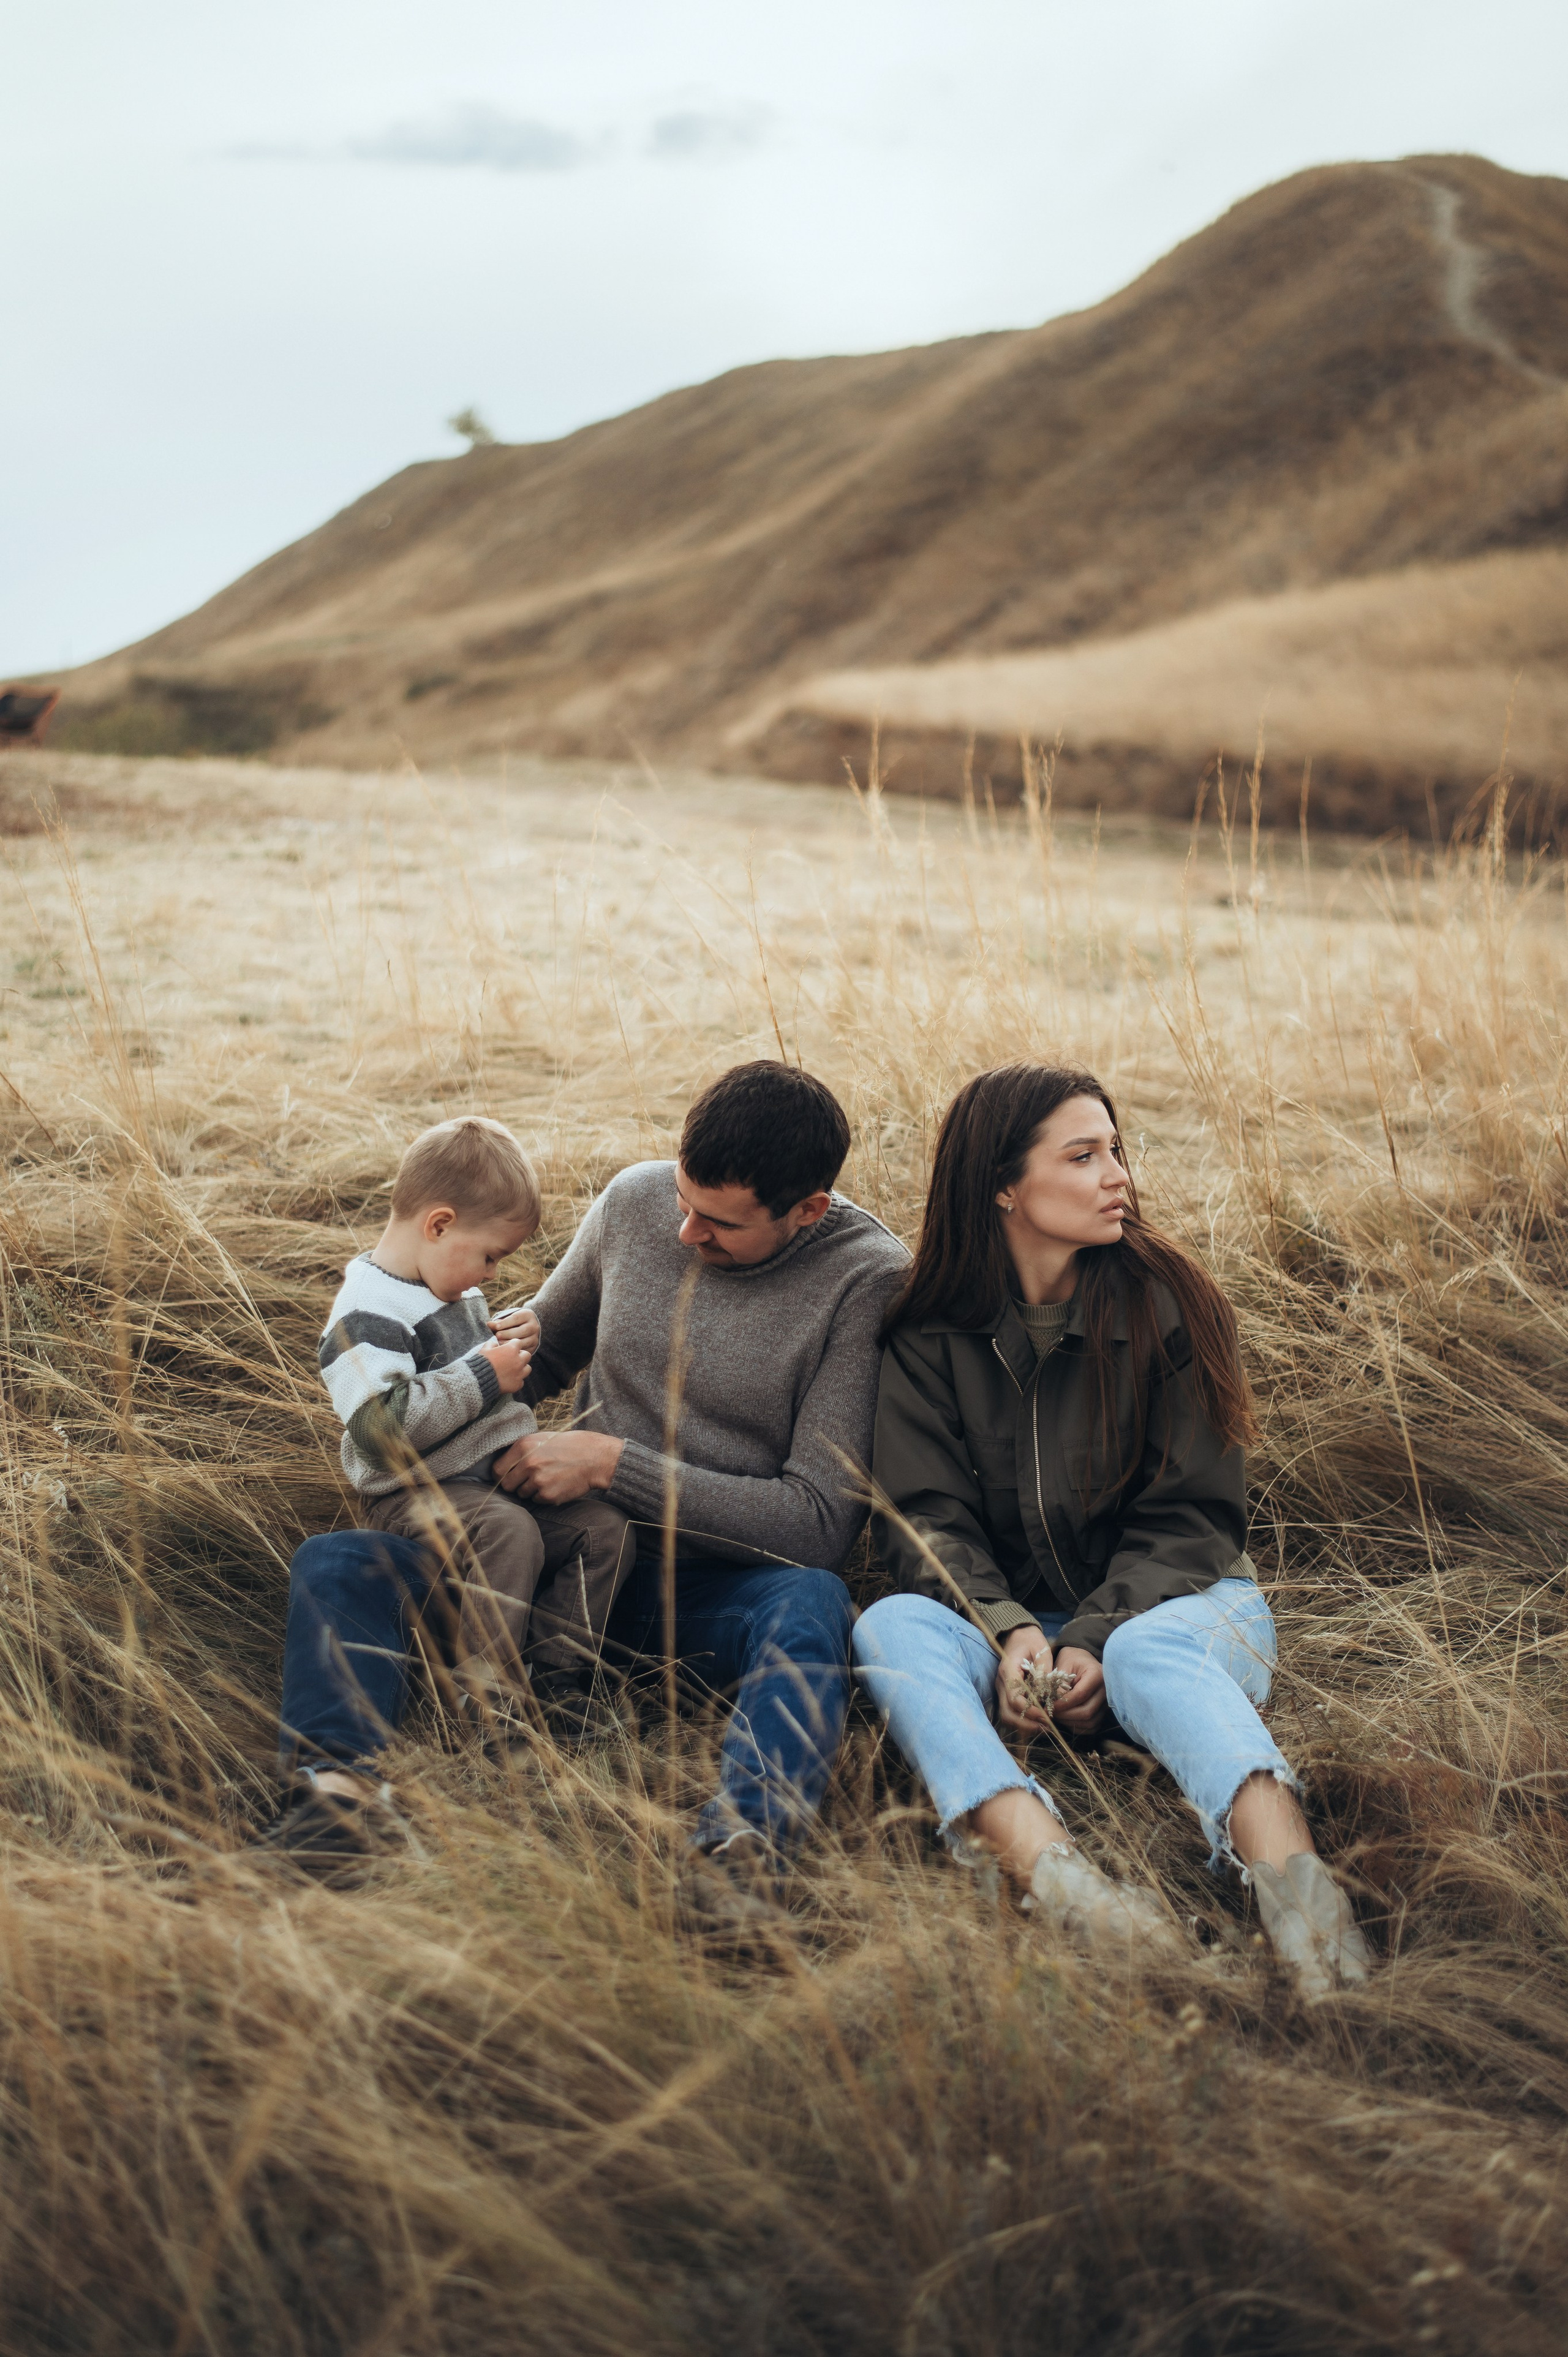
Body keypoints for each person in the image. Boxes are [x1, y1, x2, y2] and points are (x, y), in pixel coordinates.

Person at [854, 1062, 1373, 2002]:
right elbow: (923, 1521)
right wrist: (1011, 1631)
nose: (1118, 1176)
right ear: (1004, 1186)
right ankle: (1065, 1886)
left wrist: (1087, 1638)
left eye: (1117, 1150)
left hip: (1186, 1606)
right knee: (887, 1628)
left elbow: (1195, 1517)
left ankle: (1305, 1902)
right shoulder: (927, 1333)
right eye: (1085, 1155)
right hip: (1018, 1626)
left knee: (1144, 1654)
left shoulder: (1167, 1300)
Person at [492, 1060, 910, 1934]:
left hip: (707, 1599)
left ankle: (739, 1862)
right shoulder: (634, 1201)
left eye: (719, 1223)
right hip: (566, 1562)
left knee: (815, 1601)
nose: (683, 1232)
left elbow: (818, 1524)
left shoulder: (866, 1280)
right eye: (683, 1201)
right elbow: (540, 1358)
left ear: (808, 1211)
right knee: (352, 1558)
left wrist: (615, 1465)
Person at [262, 1117, 633, 1866]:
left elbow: (463, 1367)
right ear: (438, 1224)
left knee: (603, 1527)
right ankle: (486, 1696)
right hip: (417, 1496)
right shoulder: (364, 1313)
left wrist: (510, 1333)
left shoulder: (442, 1281)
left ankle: (559, 1678)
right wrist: (480, 1375)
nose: (491, 1271)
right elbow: (380, 1431)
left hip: (484, 1485)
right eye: (491, 1255)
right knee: (512, 1535)